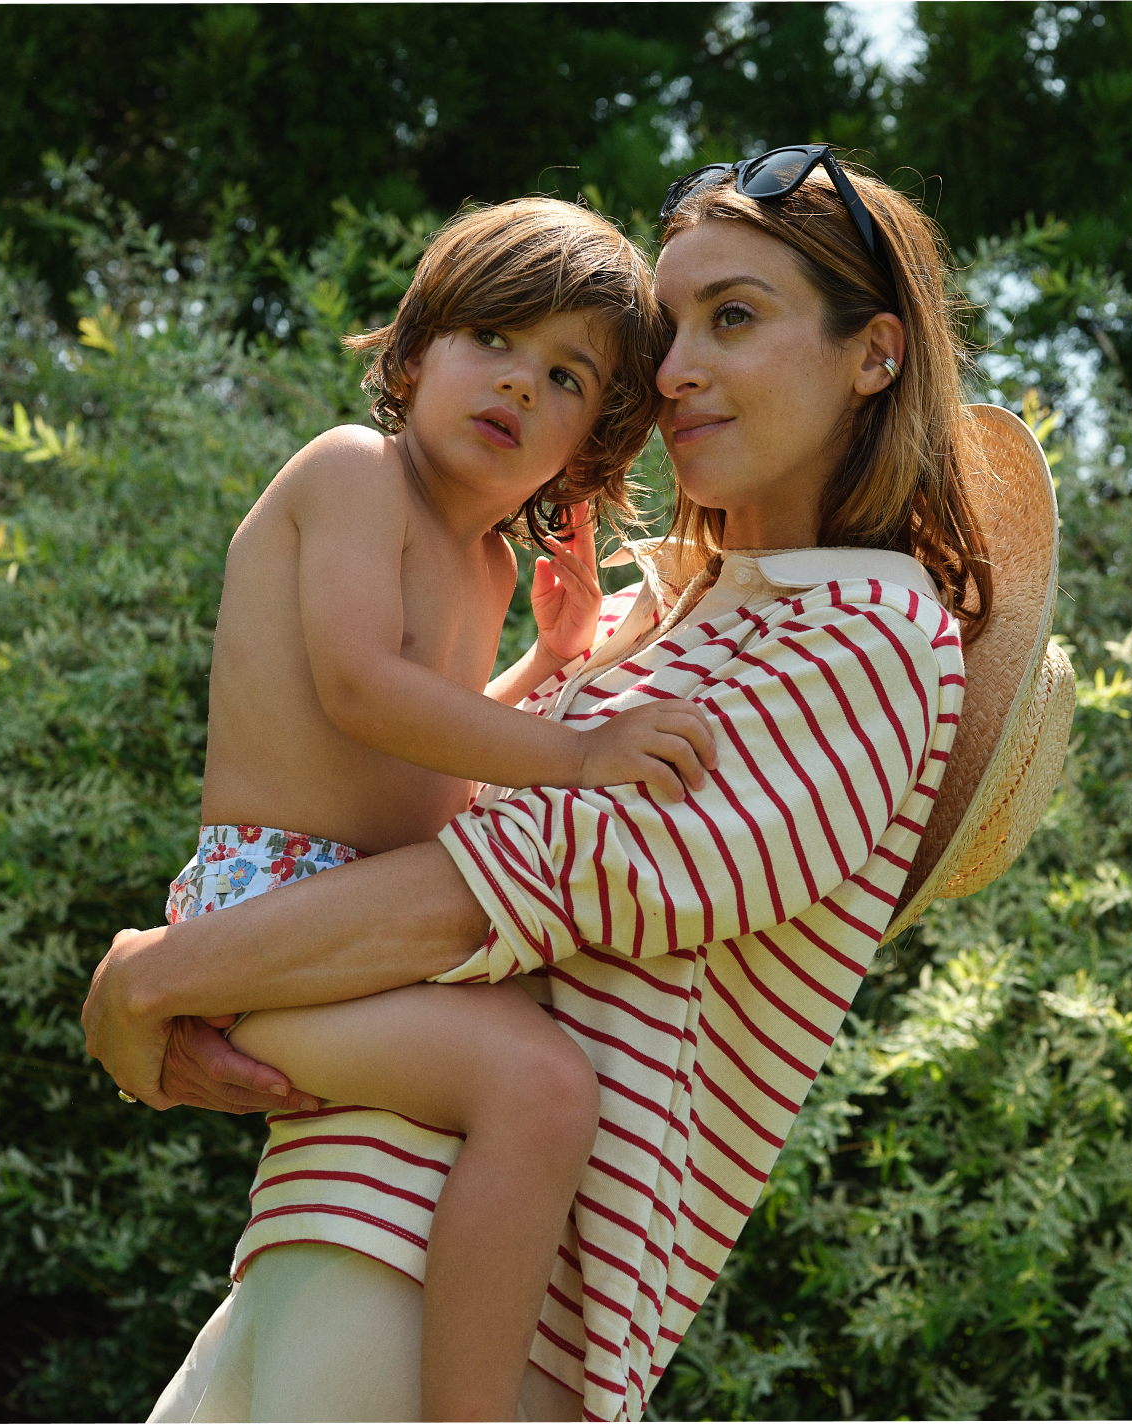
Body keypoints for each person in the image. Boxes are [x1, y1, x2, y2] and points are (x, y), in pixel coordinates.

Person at [86, 148, 993, 1424]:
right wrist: (566, 671)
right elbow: (421, 783)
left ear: (875, 353)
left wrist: (156, 977)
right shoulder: (658, 609)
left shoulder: (867, 631)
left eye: (732, 317)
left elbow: (501, 882)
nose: (674, 368)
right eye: (667, 330)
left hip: (450, 1299)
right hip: (335, 1220)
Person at [147, 196, 717, 1422]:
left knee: (559, 1071)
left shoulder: (493, 567)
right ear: (412, 357)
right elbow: (362, 690)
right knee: (540, 1089)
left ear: (591, 447)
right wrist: (584, 752)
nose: (519, 383)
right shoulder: (350, 475)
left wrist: (550, 658)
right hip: (272, 911)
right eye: (493, 339)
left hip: (352, 925)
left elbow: (433, 774)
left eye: (566, 376)